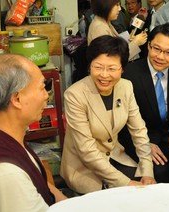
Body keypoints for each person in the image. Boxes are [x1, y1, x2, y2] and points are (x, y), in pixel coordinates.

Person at [0, 54, 67, 211]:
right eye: (42, 87)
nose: (46, 95)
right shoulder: (5, 175)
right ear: (17, 99)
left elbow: (46, 187)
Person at [60, 35, 156, 194]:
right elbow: (87, 151)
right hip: (84, 167)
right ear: (89, 66)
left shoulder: (125, 87)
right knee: (122, 196)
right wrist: (126, 183)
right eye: (98, 67)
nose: (104, 75)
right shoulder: (74, 95)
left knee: (152, 182)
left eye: (112, 69)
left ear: (122, 69)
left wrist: (147, 172)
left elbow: (139, 131)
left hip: (114, 156)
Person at [120, 23, 169, 184]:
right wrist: (144, 145)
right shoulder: (129, 74)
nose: (161, 57)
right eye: (156, 49)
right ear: (148, 46)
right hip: (142, 138)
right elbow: (122, 122)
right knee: (159, 171)